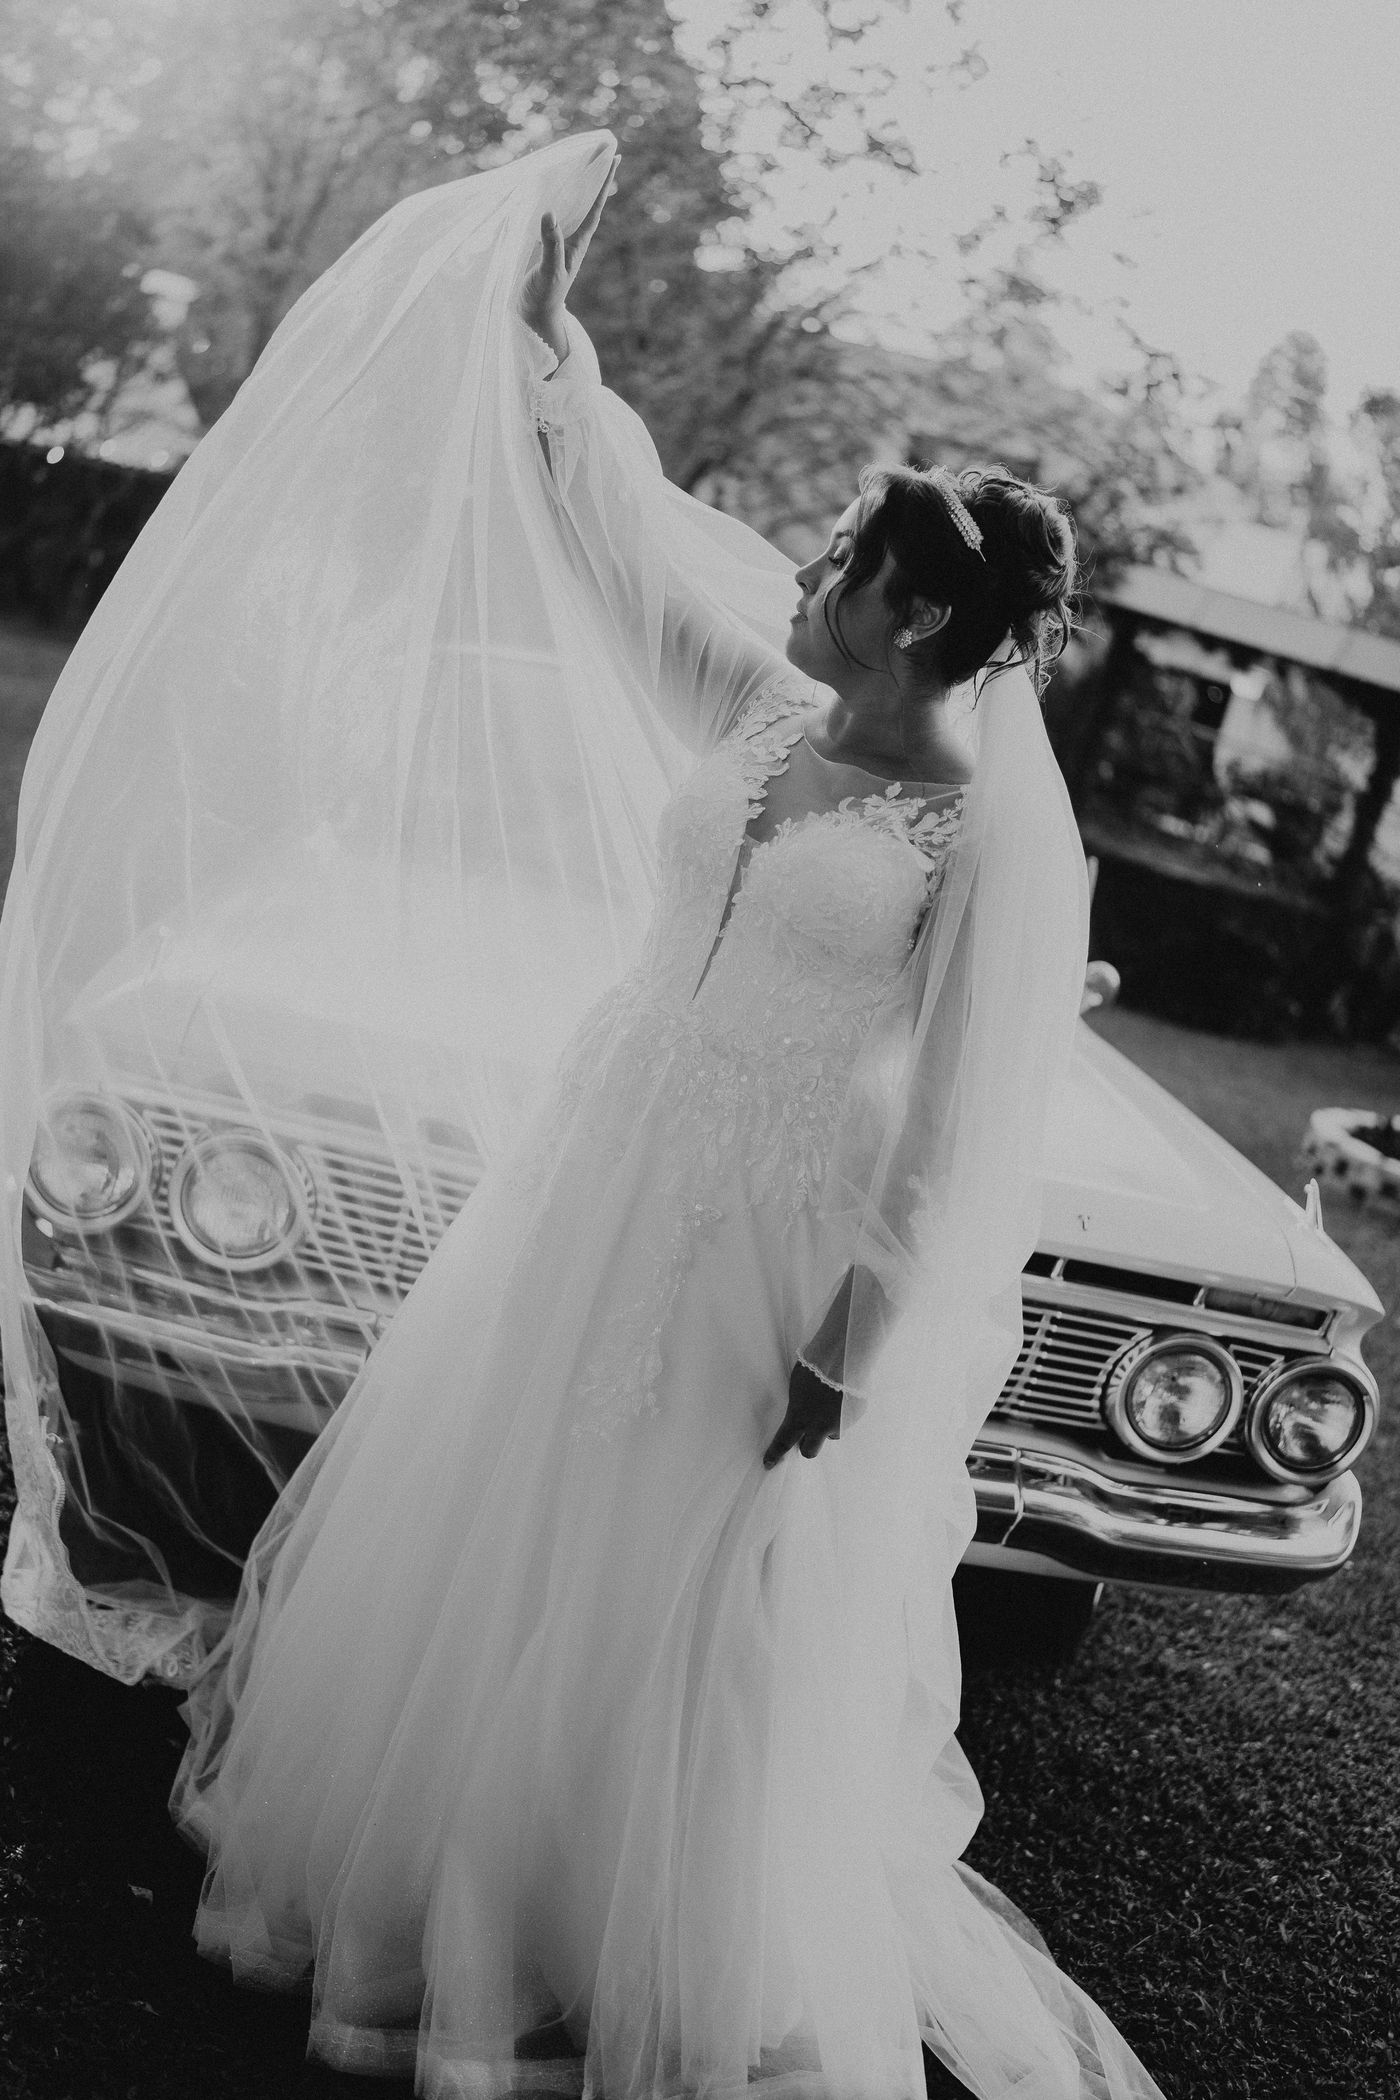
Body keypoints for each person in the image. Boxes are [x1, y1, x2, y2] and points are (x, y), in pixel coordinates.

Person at [1, 131, 1164, 2099]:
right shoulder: (763, 715)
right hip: (600, 1163)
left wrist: (847, 1347)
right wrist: (549, 339)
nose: (802, 575)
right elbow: (616, 540)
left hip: (765, 1245)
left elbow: (951, 1135)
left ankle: (636, 1947)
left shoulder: (970, 835)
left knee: (677, 1585)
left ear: (910, 614)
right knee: (517, 1521)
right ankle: (449, 1883)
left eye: (838, 562)